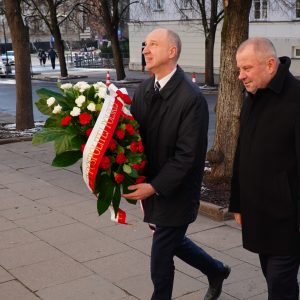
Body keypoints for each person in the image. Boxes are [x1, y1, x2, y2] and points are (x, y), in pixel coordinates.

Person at [123, 28, 231, 300]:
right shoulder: (145, 89)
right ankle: (216, 270)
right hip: (150, 188)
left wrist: (154, 187)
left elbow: (188, 157)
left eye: (153, 44)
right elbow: (134, 138)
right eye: (145, 45)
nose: (145, 49)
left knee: (160, 261)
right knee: (173, 243)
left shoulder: (191, 98)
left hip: (176, 192)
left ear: (172, 52)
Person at [229, 37, 300, 300]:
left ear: (270, 64)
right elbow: (242, 154)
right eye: (239, 69)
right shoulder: (252, 97)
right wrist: (236, 202)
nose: (240, 76)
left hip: (288, 219)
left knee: (279, 284)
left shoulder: (296, 98)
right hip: (258, 213)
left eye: (246, 68)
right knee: (275, 281)